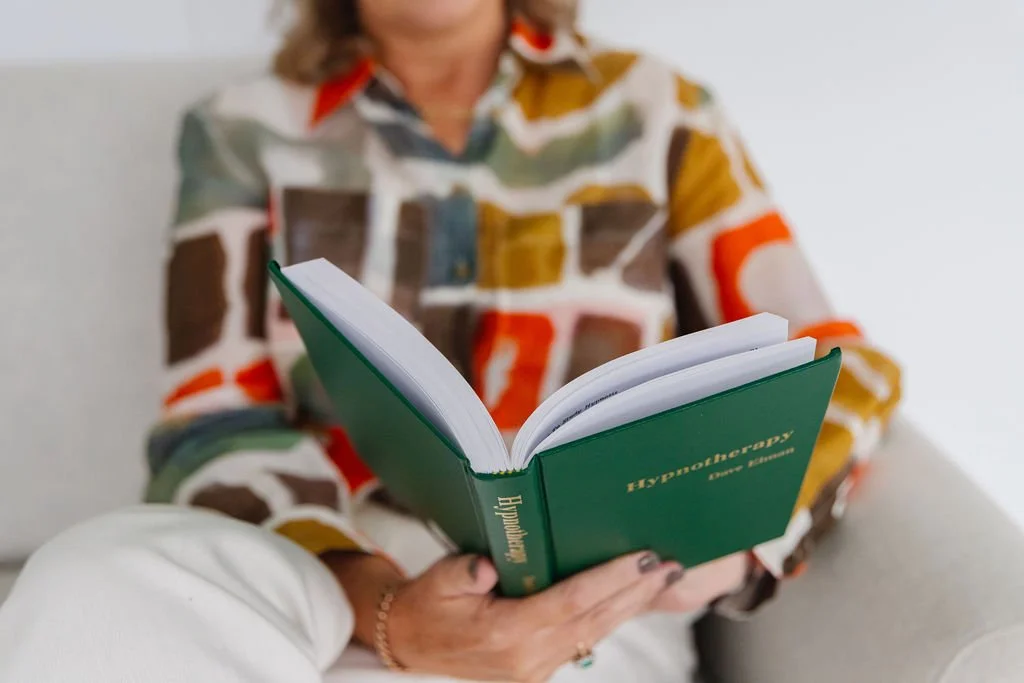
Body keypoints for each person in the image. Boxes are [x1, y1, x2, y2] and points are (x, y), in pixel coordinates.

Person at [0, 0, 902, 681]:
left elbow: (838, 364)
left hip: (586, 593)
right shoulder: (240, 129)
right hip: (320, 566)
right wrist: (384, 605)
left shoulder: (659, 111)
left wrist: (740, 542)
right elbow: (212, 420)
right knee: (85, 580)